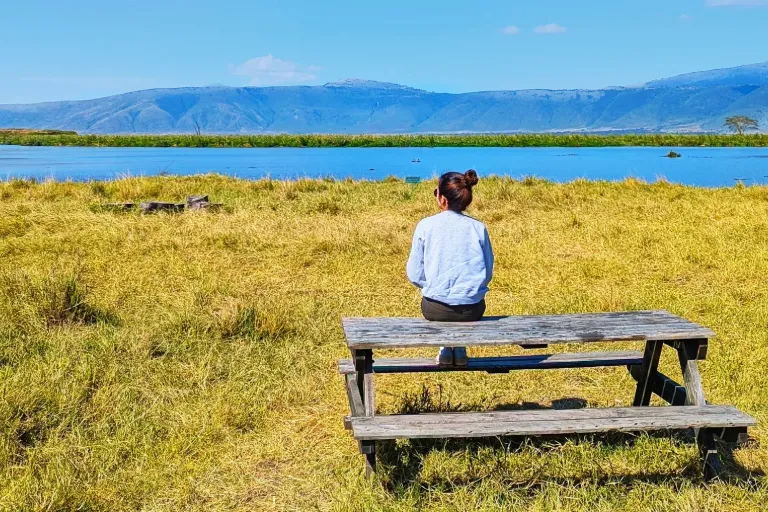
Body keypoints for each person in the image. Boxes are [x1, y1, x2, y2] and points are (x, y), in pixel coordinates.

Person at [406, 169, 494, 366]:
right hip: (473, 309)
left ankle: (446, 348)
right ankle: (459, 348)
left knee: (436, 301)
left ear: (442, 199)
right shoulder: (478, 228)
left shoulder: (425, 225)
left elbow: (414, 274)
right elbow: (487, 272)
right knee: (463, 304)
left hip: (435, 309)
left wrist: (434, 285)